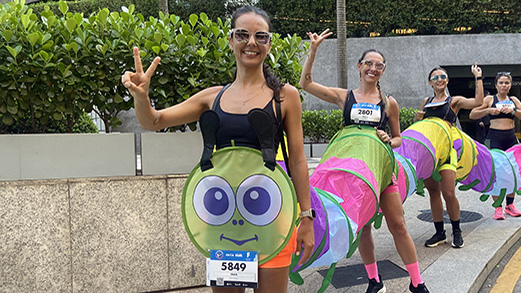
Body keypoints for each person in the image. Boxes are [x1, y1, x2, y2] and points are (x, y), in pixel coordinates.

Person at [121, 6, 314, 292]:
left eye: (260, 36)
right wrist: (141, 96)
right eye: (243, 35)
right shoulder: (212, 97)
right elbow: (154, 121)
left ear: (269, 43)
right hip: (223, 221)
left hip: (272, 215)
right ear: (230, 40)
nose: (251, 43)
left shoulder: (285, 96)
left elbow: (298, 160)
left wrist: (306, 217)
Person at [299, 29, 429, 293]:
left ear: (383, 70)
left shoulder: (388, 102)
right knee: (364, 227)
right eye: (368, 64)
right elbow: (306, 84)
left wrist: (386, 138)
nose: (372, 68)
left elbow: (398, 139)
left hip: (382, 171)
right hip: (356, 173)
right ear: (359, 67)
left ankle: (417, 282)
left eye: (378, 65)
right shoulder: (344, 97)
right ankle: (374, 280)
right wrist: (313, 51)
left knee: (398, 224)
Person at [416, 65, 483, 249]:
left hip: (447, 152)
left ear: (447, 80)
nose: (439, 79)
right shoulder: (426, 101)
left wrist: (478, 77)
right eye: (435, 77)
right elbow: (420, 126)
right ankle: (439, 233)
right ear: (430, 82)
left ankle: (457, 230)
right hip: (430, 154)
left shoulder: (454, 101)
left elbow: (478, 102)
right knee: (433, 192)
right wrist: (417, 119)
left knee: (449, 192)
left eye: (443, 76)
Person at [469, 71, 521, 220]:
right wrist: (489, 110)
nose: (504, 85)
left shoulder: (513, 99)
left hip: (510, 137)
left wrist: (514, 110)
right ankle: (498, 207)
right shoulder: (490, 99)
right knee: (494, 172)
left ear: (510, 85)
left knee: (512, 171)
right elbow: (472, 114)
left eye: (507, 83)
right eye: (501, 83)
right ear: (496, 85)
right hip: (494, 138)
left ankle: (510, 204)